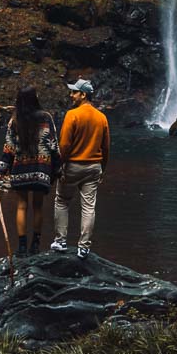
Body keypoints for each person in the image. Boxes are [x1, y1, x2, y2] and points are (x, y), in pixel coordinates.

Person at [0, 85, 58, 257]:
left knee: (22, 207)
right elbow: (54, 145)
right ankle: (35, 246)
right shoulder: (46, 118)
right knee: (38, 207)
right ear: (34, 98)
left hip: (20, 168)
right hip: (41, 168)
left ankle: (22, 247)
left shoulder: (15, 120)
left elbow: (8, 148)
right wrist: (58, 169)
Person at [51, 77, 110, 258]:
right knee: (88, 207)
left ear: (83, 94)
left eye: (74, 92)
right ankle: (84, 247)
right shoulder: (102, 118)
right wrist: (103, 169)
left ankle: (60, 241)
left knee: (62, 201)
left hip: (73, 166)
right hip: (93, 167)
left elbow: (65, 145)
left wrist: (59, 166)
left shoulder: (72, 115)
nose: (71, 95)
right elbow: (106, 147)